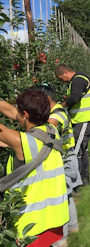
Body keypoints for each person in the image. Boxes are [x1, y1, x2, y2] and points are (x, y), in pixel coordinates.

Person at [0, 90, 69, 246]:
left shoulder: (22, 142)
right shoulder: (52, 132)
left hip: (30, 229)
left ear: (25, 114)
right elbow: (11, 111)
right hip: (55, 221)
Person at [32, 84, 81, 245]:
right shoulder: (55, 110)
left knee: (58, 200)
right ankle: (73, 226)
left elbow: (50, 126)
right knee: (65, 195)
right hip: (65, 158)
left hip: (65, 160)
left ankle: (61, 239)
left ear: (46, 99)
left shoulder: (58, 113)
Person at [55, 64, 90, 187]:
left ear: (65, 73)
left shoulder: (78, 80)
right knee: (83, 151)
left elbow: (74, 98)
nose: (61, 81)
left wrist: (60, 106)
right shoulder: (78, 80)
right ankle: (84, 179)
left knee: (76, 151)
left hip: (84, 120)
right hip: (81, 121)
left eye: (60, 78)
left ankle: (76, 182)